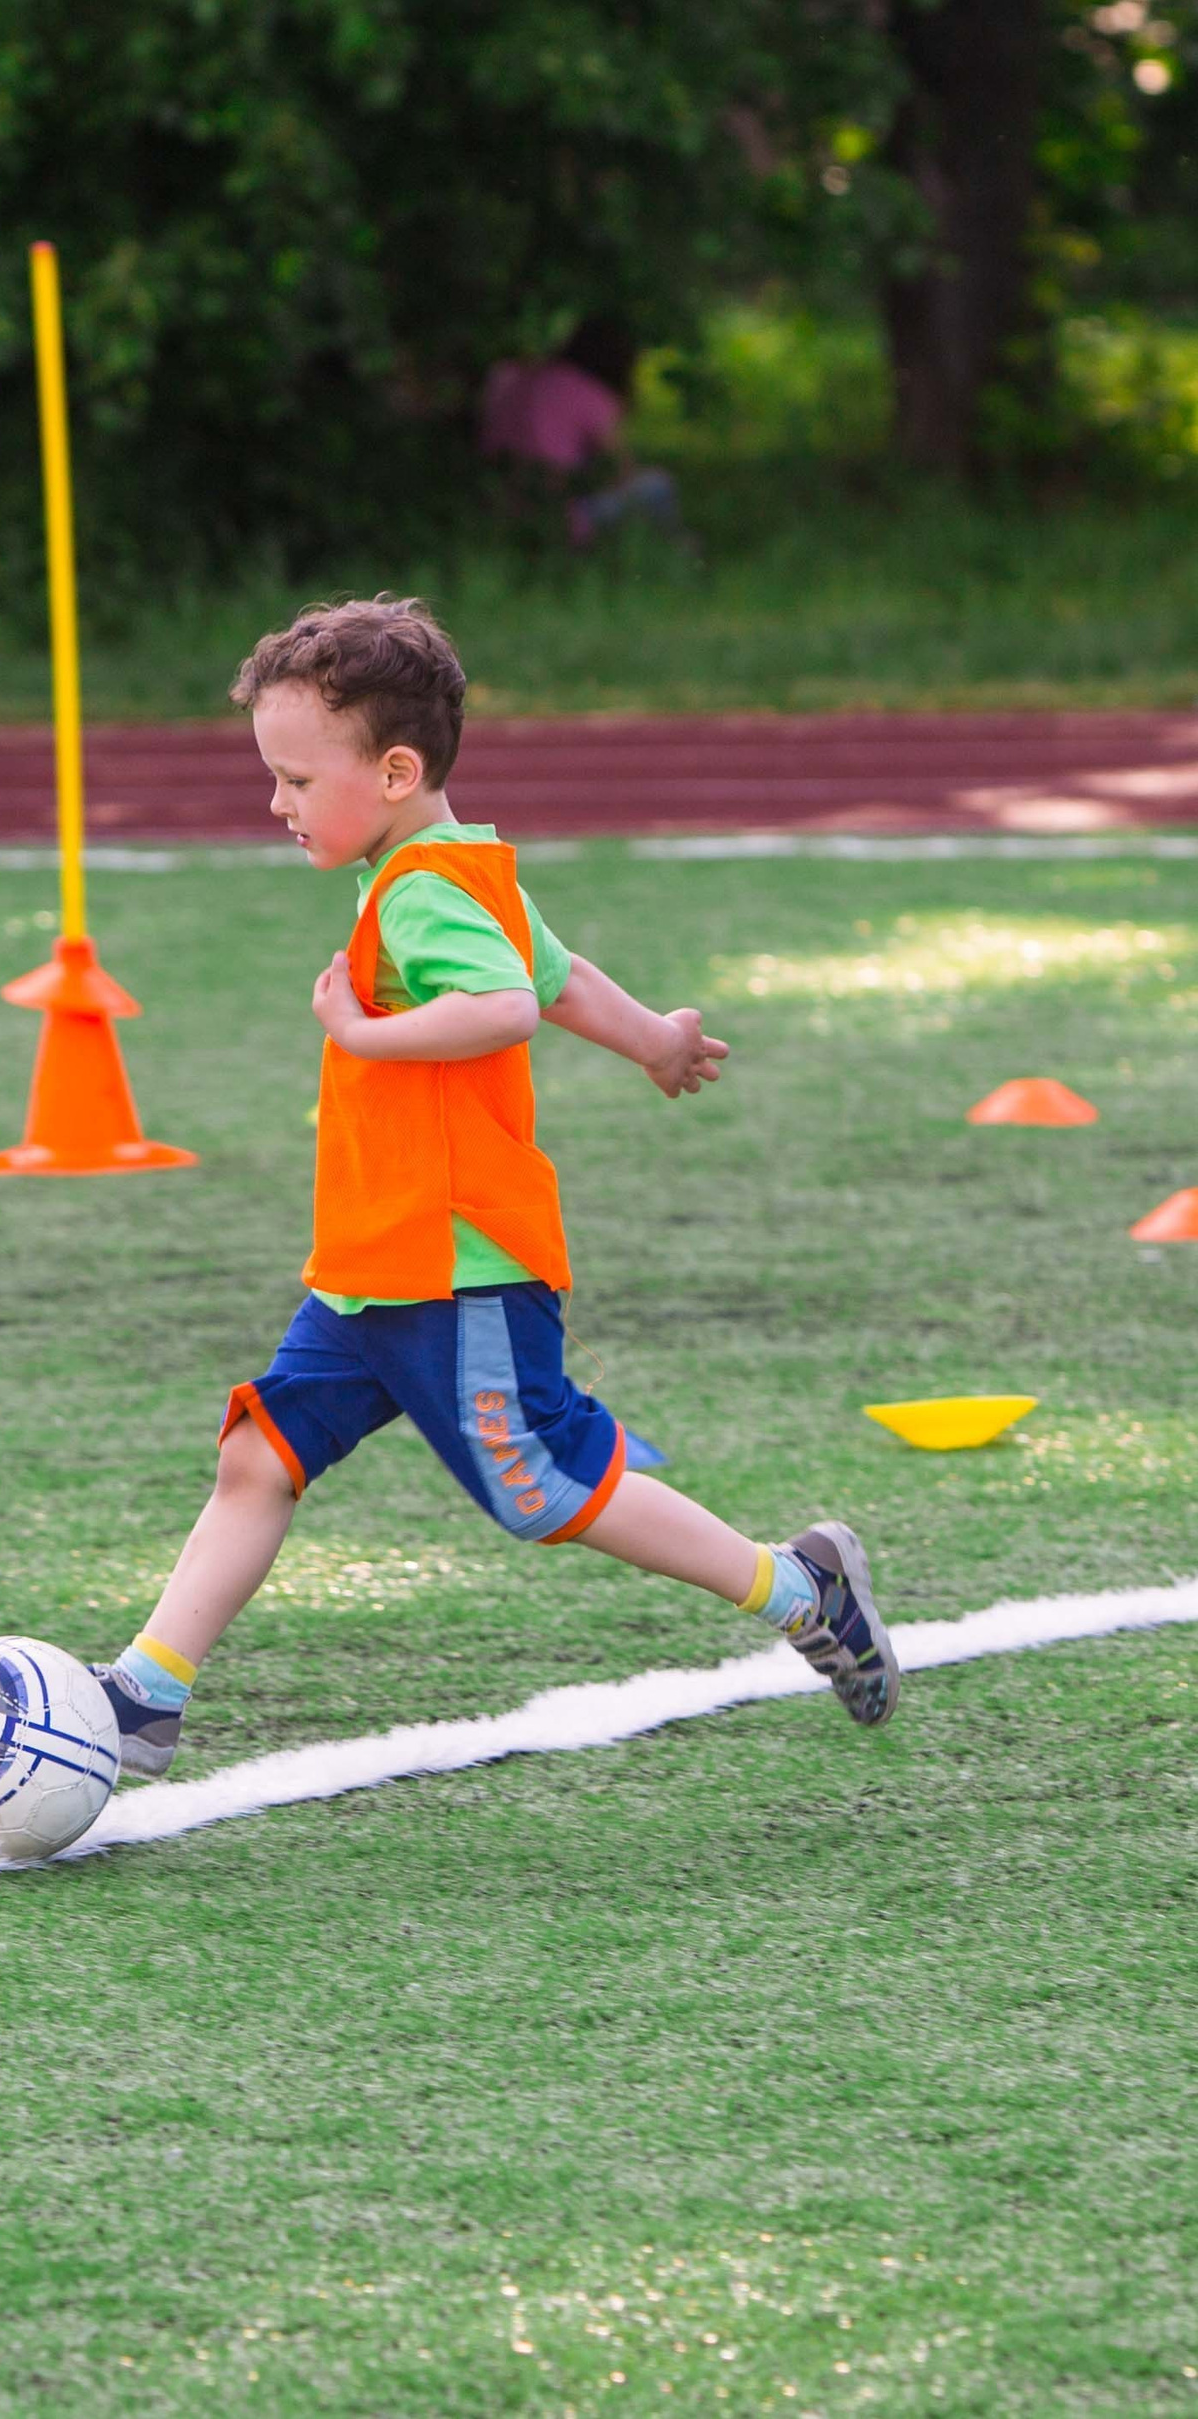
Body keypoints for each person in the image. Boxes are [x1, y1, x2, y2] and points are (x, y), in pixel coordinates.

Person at [89, 597, 896, 1777]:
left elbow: (509, 1004)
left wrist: (362, 1035)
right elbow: (559, 979)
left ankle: (798, 1584)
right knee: (259, 1455)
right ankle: (146, 1691)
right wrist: (655, 1041)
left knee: (539, 1488)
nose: (276, 803)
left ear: (394, 771)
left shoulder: (425, 886)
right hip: (372, 1269)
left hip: (455, 1265)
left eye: (296, 779)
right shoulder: (449, 869)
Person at [480, 315, 682, 548]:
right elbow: (621, 469)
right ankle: (676, 549)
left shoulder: (513, 374)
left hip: (495, 504)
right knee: (658, 484)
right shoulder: (594, 396)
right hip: (559, 516)